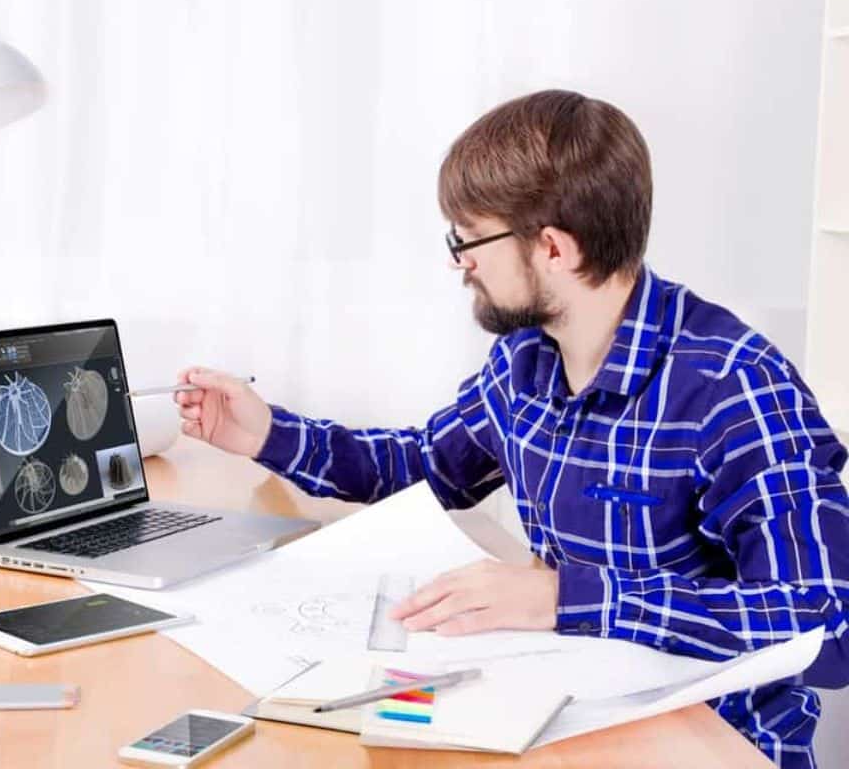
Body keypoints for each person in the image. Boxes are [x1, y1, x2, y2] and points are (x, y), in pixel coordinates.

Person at [173, 90, 849, 768]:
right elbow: (424, 467)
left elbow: (826, 621)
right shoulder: (527, 359)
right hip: (568, 718)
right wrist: (266, 436)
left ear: (552, 248)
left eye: (468, 238)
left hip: (710, 746)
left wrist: (567, 596)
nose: (458, 261)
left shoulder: (734, 387)